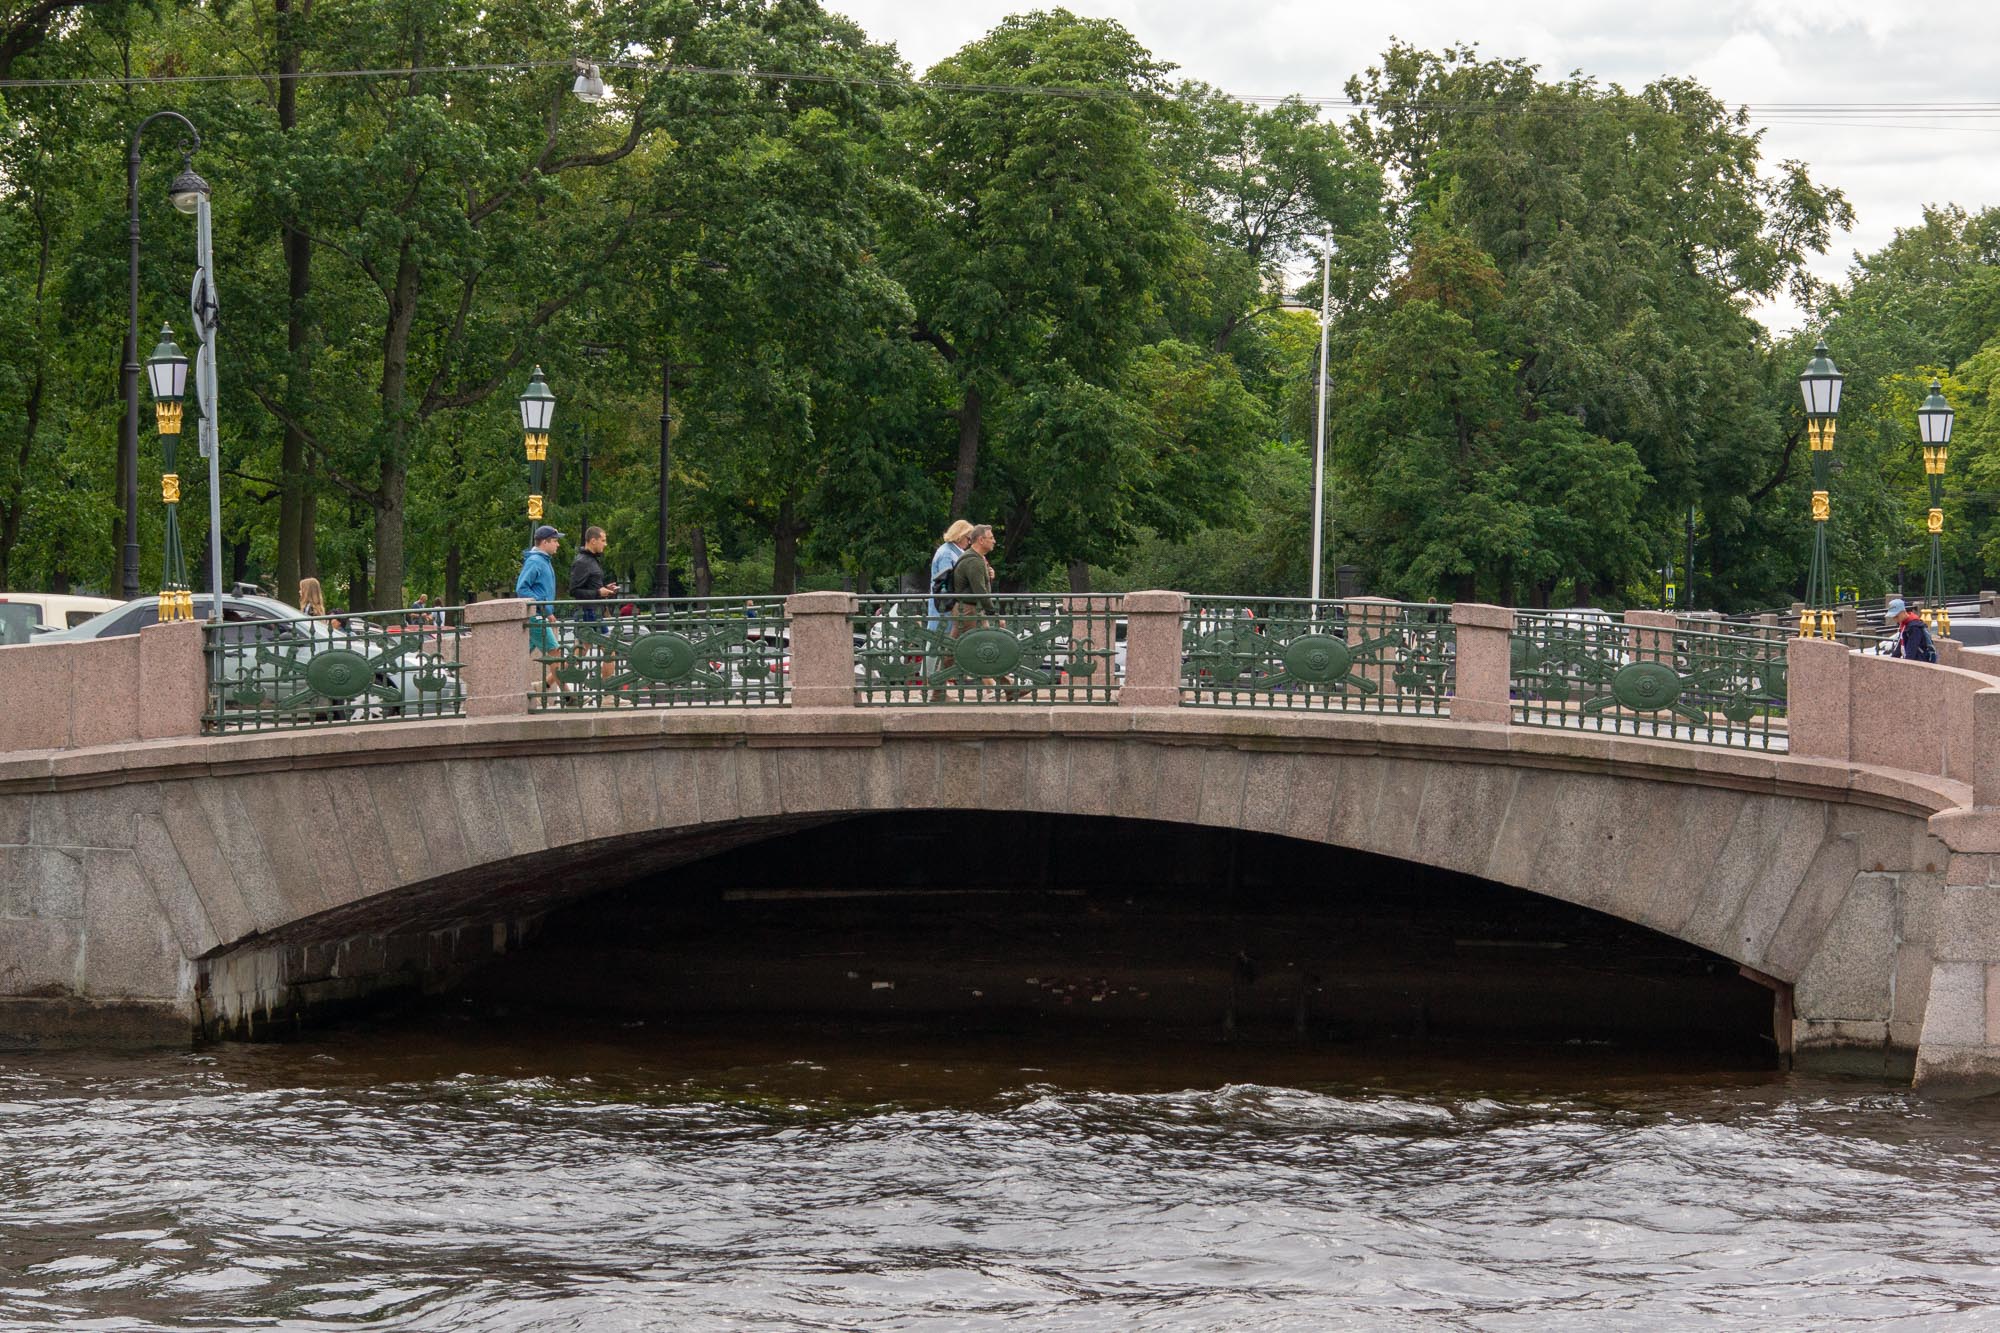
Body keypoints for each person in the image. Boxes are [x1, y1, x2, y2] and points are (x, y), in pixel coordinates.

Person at [516, 525, 564, 693]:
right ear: (545, 542)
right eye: (555, 541)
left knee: (518, 657)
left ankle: (538, 686)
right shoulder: (535, 561)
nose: (558, 545)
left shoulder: (542, 560)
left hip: (537, 616)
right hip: (536, 617)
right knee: (555, 653)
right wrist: (546, 609)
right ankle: (568, 695)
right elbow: (522, 588)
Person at [929, 520, 974, 630]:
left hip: (949, 603)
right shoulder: (947, 553)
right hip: (946, 604)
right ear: (960, 535)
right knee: (943, 637)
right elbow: (946, 581)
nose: (969, 543)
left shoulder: (954, 551)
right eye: (968, 538)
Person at [1886, 597, 1938, 663]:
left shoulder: (1914, 627)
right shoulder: (1904, 624)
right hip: (1914, 662)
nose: (1895, 619)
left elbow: (1911, 652)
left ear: (1903, 612)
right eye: (1893, 616)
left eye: (1896, 616)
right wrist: (1892, 661)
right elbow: (1900, 646)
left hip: (1920, 663)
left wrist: (1906, 665)